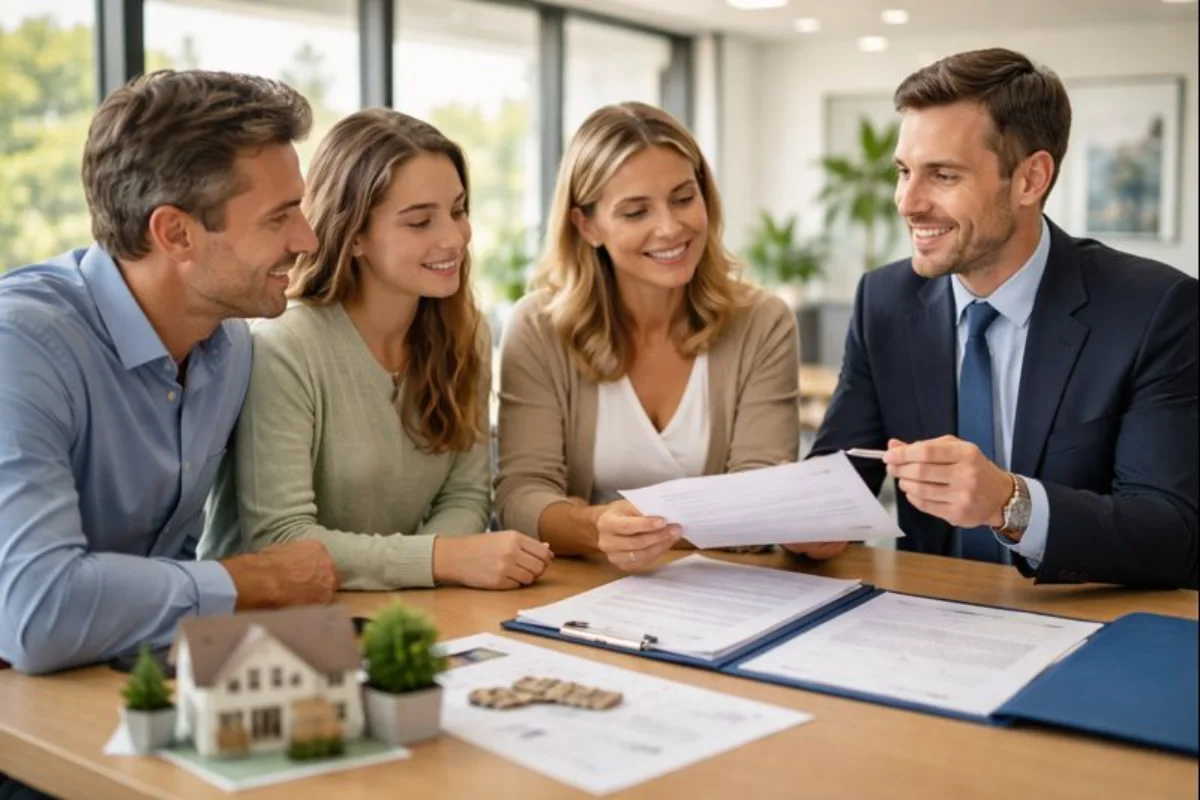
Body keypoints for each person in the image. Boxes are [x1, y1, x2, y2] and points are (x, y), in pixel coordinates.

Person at [808, 48, 1198, 588]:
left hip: (1085, 625)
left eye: (942, 175)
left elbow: (1172, 533)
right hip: (925, 623)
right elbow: (838, 481)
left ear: (1030, 179)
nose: (907, 202)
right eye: (904, 172)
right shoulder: (885, 300)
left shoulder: (1155, 309)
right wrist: (803, 521)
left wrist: (1009, 503)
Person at [0, 70, 338, 678]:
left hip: (108, 679)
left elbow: (168, 560)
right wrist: (242, 581)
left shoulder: (226, 344)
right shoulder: (20, 347)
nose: (308, 239)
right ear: (175, 233)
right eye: (279, 217)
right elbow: (39, 611)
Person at [201, 109, 552, 591]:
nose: (453, 238)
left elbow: (467, 496)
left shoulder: (466, 335)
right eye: (419, 222)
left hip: (395, 611)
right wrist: (439, 560)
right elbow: (282, 539)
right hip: (272, 630)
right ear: (356, 235)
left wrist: (433, 571)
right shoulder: (284, 347)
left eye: (458, 210)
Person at [496, 101, 820, 571]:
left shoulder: (762, 322)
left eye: (684, 198)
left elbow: (760, 494)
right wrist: (598, 528)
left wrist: (621, 528)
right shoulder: (539, 327)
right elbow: (521, 496)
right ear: (587, 225)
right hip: (584, 590)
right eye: (635, 212)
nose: (670, 227)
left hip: (727, 590)